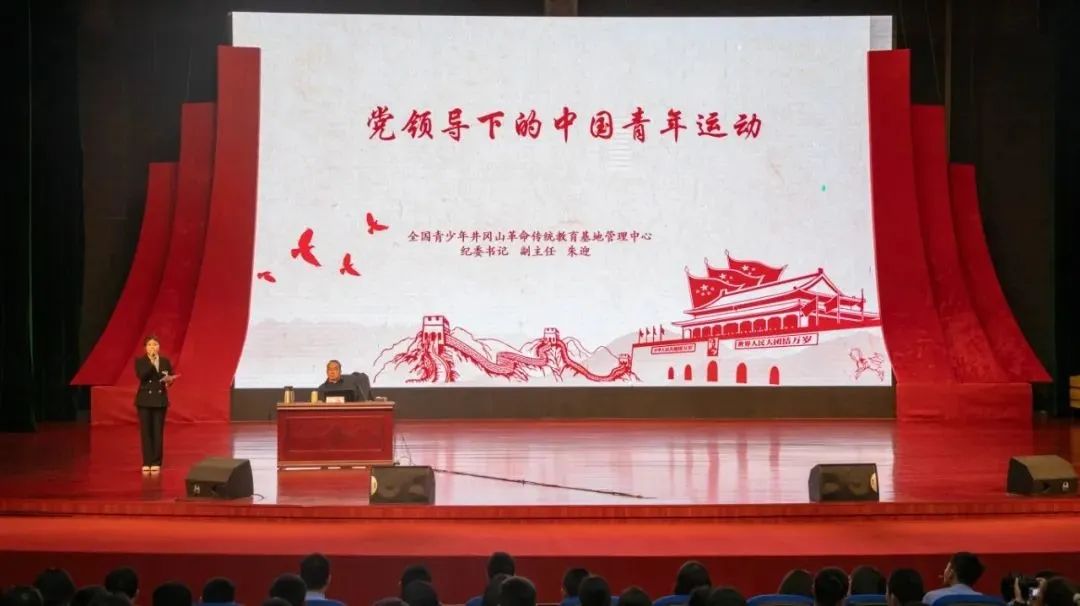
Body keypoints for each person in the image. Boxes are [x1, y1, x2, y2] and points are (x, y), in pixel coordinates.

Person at [134, 335, 175, 472]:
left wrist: (169, 381)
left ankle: (157, 461)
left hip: (160, 400)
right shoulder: (140, 361)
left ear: (159, 347)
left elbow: (169, 376)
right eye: (150, 345)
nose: (152, 347)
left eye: (155, 344)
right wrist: (152, 363)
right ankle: (147, 461)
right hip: (144, 400)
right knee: (146, 432)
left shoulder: (165, 361)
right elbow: (142, 376)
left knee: (158, 431)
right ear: (145, 348)